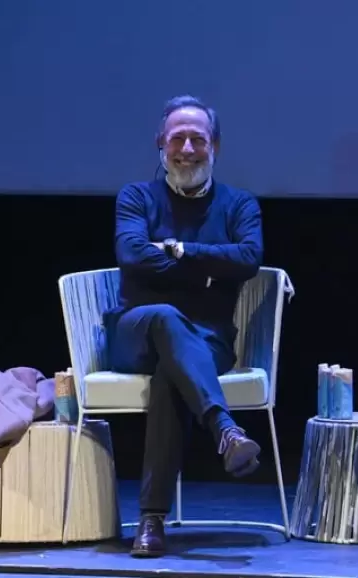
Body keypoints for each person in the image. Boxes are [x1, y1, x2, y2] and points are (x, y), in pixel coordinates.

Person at [104, 95, 264, 558]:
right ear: (161, 144)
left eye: (198, 139)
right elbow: (132, 254)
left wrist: (178, 252)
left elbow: (249, 259)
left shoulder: (238, 204)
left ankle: (150, 523)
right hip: (136, 330)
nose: (187, 148)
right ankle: (225, 430)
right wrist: (211, 269)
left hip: (207, 340)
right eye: (178, 138)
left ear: (215, 146)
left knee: (170, 379)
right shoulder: (137, 196)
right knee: (167, 317)